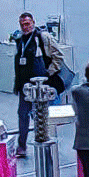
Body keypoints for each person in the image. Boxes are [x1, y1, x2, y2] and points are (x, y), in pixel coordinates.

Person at [11, 12, 65, 159]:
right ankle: (22, 146)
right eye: (22, 24)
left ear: (33, 23)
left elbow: (59, 56)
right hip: (25, 87)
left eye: (27, 24)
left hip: (42, 86)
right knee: (22, 114)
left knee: (42, 115)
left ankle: (45, 144)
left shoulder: (43, 37)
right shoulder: (19, 39)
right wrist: (17, 85)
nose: (25, 27)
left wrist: (49, 73)